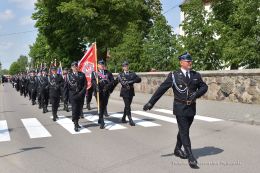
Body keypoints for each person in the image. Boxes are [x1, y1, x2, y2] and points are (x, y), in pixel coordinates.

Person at [143, 52, 208, 169]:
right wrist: (151, 102)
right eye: (188, 61)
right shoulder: (174, 75)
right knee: (184, 131)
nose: (190, 63)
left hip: (191, 107)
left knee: (184, 129)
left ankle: (177, 149)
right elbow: (161, 89)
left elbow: (204, 87)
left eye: (190, 61)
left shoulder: (195, 75)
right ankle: (191, 156)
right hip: (180, 107)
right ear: (181, 62)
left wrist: (196, 94)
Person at [116, 61, 141, 126]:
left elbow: (139, 79)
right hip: (124, 92)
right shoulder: (120, 74)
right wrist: (132, 81)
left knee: (128, 106)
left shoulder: (132, 73)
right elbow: (123, 83)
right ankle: (130, 120)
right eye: (124, 66)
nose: (126, 67)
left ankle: (123, 118)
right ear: (122, 67)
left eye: (127, 66)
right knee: (127, 106)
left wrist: (132, 81)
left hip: (131, 91)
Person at [91, 59, 114, 129]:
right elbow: (93, 81)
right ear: (97, 65)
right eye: (100, 64)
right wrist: (96, 86)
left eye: (103, 64)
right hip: (98, 92)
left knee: (104, 105)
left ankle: (100, 117)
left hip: (106, 91)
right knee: (100, 105)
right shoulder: (94, 72)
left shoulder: (108, 72)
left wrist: (108, 85)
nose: (102, 65)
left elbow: (112, 80)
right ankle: (102, 121)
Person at [66, 62, 86, 132]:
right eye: (73, 67)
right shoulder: (68, 76)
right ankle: (75, 123)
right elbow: (66, 87)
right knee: (74, 109)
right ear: (71, 68)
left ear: (78, 67)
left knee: (79, 109)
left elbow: (85, 85)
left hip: (80, 95)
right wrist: (65, 98)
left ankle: (77, 121)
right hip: (73, 94)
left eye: (76, 66)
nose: (75, 68)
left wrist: (82, 93)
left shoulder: (82, 74)